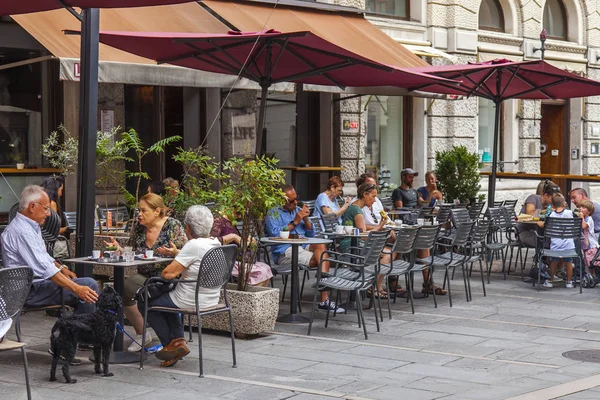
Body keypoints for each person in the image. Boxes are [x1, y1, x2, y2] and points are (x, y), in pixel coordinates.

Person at [137, 205, 221, 367]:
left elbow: (167, 274)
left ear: (188, 227)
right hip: (211, 297)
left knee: (145, 301)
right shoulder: (215, 244)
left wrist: (178, 259)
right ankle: (178, 342)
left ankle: (171, 346)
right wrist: (177, 254)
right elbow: (197, 259)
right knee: (166, 300)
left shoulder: (194, 245)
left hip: (191, 298)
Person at [105, 193, 187, 352]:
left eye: (143, 211)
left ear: (157, 211)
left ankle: (172, 342)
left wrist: (175, 252)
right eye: (138, 211)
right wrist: (119, 249)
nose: (139, 215)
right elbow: (131, 252)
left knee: (145, 296)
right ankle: (142, 334)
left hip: (167, 275)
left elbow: (186, 253)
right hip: (145, 275)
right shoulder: (138, 228)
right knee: (122, 290)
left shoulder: (172, 226)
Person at [1, 185, 98, 313]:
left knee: (86, 286)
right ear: (32, 207)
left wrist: (61, 267)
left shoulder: (30, 226)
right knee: (89, 285)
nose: (48, 213)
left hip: (33, 285)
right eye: (46, 208)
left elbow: (43, 256)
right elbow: (46, 270)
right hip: (27, 291)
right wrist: (77, 289)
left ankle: (77, 329)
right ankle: (83, 331)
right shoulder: (22, 231)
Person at [265, 184, 343, 312]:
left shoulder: (297, 209)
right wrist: (294, 222)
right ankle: (324, 298)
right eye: (291, 201)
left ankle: (324, 297)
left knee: (321, 246)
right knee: (322, 258)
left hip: (303, 244)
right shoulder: (273, 212)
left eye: (296, 199)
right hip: (285, 250)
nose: (295, 203)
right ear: (281, 200)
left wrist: (306, 219)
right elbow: (274, 234)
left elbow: (312, 234)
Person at [341, 182, 391, 297]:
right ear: (364, 194)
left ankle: (372, 285)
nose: (374, 200)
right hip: (351, 245)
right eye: (373, 196)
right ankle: (373, 286)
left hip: (353, 244)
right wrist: (380, 226)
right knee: (387, 255)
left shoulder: (355, 207)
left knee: (386, 251)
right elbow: (363, 235)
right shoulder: (357, 211)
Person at [210, 212, 273, 286]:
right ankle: (249, 295)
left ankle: (253, 295)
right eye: (238, 213)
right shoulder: (218, 221)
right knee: (261, 272)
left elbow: (239, 242)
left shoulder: (231, 221)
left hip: (235, 258)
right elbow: (212, 242)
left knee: (267, 269)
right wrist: (232, 237)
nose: (240, 216)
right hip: (225, 262)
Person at [543, 193, 575, 289]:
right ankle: (569, 282)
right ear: (564, 204)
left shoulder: (551, 215)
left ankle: (551, 280)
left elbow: (547, 227)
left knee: (554, 261)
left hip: (555, 246)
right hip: (568, 245)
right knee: (568, 262)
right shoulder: (569, 213)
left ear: (552, 205)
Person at [518, 181, 559, 248]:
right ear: (546, 196)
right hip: (525, 233)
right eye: (553, 198)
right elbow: (530, 214)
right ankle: (541, 258)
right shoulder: (533, 198)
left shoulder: (550, 205)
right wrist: (547, 211)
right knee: (551, 242)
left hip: (539, 232)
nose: (554, 201)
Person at [40, 176, 70, 259]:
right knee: (76, 246)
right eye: (61, 190)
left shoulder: (39, 202)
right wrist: (67, 229)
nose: (61, 193)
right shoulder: (51, 204)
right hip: (50, 246)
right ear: (55, 190)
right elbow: (53, 231)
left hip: (42, 244)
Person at [578, 200, 598, 270]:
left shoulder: (589, 219)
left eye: (583, 207)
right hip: (585, 245)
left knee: (591, 264)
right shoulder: (583, 218)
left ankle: (593, 278)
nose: (580, 208)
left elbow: (584, 226)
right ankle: (590, 277)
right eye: (580, 207)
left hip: (591, 246)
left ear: (588, 212)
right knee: (587, 263)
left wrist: (581, 217)